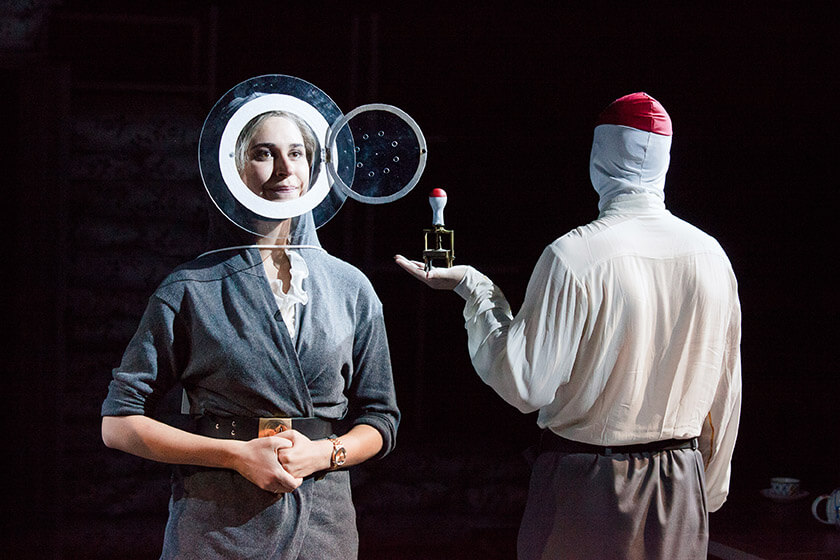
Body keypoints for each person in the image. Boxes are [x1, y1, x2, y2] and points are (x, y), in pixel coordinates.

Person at [395, 92, 741, 559]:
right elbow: (726, 390)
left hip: (590, 485)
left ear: (599, 158)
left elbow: (524, 382)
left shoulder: (575, 256)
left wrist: (476, 290)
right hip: (681, 482)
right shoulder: (711, 256)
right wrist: (709, 489)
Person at [102, 109, 399, 559]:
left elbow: (381, 418)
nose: (285, 169)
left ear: (315, 165)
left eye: (297, 153)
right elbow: (118, 424)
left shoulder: (350, 287)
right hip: (218, 528)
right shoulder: (191, 288)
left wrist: (324, 454)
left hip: (323, 528)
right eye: (265, 153)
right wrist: (236, 456)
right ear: (235, 168)